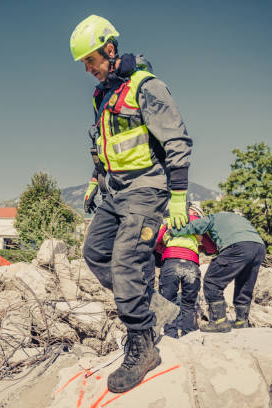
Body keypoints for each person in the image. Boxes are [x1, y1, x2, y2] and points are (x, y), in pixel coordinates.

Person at [70, 15, 192, 393]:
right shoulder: (102, 95)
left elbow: (177, 141)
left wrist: (179, 197)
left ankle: (142, 344)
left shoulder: (145, 86)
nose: (88, 69)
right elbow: (102, 146)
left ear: (110, 49)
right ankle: (151, 303)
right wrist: (94, 181)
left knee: (126, 260)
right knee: (95, 252)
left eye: (91, 60)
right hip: (115, 192)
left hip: (147, 189)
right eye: (84, 64)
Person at [167, 211, 266, 332]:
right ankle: (241, 321)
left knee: (212, 281)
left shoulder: (213, 217)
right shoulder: (239, 219)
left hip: (237, 246)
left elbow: (195, 226)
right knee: (244, 283)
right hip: (259, 247)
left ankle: (219, 322)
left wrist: (173, 232)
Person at [154, 203, 216, 338]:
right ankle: (189, 336)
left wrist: (163, 250)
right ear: (197, 213)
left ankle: (171, 337)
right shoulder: (199, 223)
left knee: (168, 302)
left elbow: (156, 241)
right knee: (189, 304)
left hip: (171, 263)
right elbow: (211, 248)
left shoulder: (170, 221)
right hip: (191, 265)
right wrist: (199, 248)